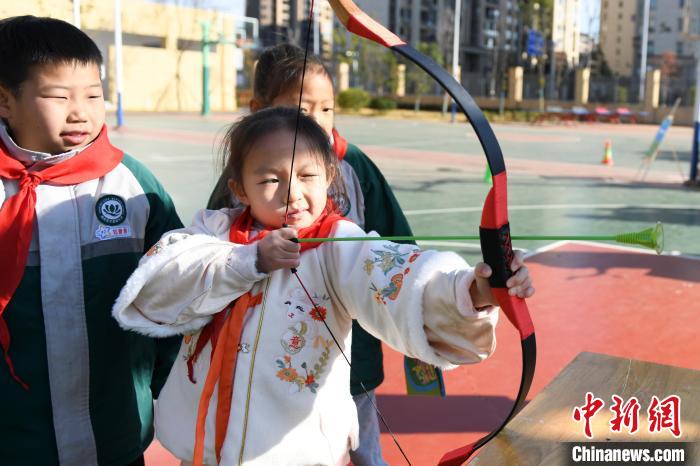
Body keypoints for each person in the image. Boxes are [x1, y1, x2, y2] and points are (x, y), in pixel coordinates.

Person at [113, 107, 535, 466]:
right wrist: (250, 260)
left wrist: (478, 291)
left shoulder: (339, 245)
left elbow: (403, 278)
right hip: (205, 452)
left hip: (296, 454)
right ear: (238, 188)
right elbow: (157, 287)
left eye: (307, 174)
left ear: (330, 175)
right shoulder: (215, 231)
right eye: (270, 180)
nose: (292, 193)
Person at [207, 43, 442, 465]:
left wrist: (434, 302)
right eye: (301, 109)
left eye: (327, 109)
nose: (316, 121)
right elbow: (213, 256)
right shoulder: (241, 178)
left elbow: (400, 252)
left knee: (365, 451)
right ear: (259, 109)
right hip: (269, 357)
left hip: (353, 353)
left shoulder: (354, 166)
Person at [0, 16, 182, 466]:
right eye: (58, 96)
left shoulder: (132, 185)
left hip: (115, 435)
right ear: (5, 101)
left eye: (93, 95)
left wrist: (163, 388)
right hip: (17, 441)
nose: (80, 111)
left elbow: (178, 294)